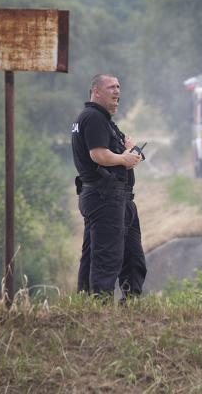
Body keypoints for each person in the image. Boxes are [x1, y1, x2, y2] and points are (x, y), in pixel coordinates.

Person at [71, 73, 146, 299]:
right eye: (111, 87)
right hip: (105, 197)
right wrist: (124, 158)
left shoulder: (104, 120)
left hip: (118, 198)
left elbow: (134, 154)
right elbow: (99, 155)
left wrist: (130, 154)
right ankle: (97, 307)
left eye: (118, 87)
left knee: (132, 257)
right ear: (96, 91)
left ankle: (128, 306)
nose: (117, 92)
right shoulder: (93, 118)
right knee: (106, 258)